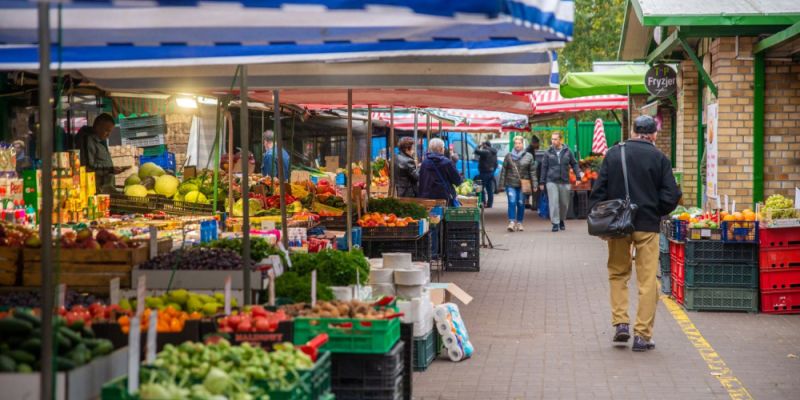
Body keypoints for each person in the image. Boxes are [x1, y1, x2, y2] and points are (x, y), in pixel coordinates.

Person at [589, 115, 681, 352]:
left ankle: (621, 323)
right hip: (647, 227)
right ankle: (642, 335)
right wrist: (655, 211)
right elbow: (672, 195)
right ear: (653, 134)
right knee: (647, 280)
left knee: (618, 274)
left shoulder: (614, 154)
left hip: (619, 225)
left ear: (633, 130)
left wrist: (603, 221)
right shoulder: (660, 158)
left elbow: (598, 192)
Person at [540, 132, 581, 232]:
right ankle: (555, 223)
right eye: (552, 139)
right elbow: (544, 167)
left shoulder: (568, 151)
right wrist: (542, 181)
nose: (553, 141)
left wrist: (578, 176)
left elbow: (574, 164)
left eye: (555, 139)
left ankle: (562, 219)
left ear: (560, 140)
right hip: (551, 181)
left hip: (564, 180)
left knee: (564, 203)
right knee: (553, 203)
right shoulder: (548, 152)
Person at [77, 113, 127, 194]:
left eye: (110, 131)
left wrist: (111, 169)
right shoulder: (88, 141)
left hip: (106, 190)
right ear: (98, 126)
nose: (108, 134)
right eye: (106, 130)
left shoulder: (101, 141)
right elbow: (88, 167)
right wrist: (110, 169)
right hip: (96, 191)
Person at [498, 136, 537, 232]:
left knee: (520, 203)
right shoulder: (508, 156)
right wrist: (501, 185)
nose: (517, 145)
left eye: (519, 143)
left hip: (523, 185)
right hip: (510, 184)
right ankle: (511, 222)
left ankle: (519, 223)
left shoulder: (529, 156)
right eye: (516, 143)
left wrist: (535, 184)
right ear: (514, 144)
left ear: (522, 144)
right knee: (512, 201)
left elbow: (532, 172)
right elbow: (503, 171)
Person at [418, 138, 462, 204]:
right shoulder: (447, 162)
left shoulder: (424, 163)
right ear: (441, 149)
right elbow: (458, 181)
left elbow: (421, 180)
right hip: (444, 199)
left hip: (426, 198)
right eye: (443, 148)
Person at [473, 141, 498, 208]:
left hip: (484, 172)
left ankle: (482, 203)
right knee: (489, 189)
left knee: (479, 187)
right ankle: (489, 204)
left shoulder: (486, 151)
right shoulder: (494, 153)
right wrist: (492, 171)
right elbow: (496, 164)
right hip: (491, 173)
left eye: (483, 145)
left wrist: (479, 145)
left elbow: (476, 151)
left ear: (485, 145)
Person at [525, 136, 542, 209]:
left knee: (529, 188)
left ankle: (527, 202)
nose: (538, 145)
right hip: (529, 172)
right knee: (532, 188)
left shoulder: (530, 149)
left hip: (528, 171)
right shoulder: (529, 150)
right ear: (534, 143)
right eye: (538, 143)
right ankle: (529, 203)